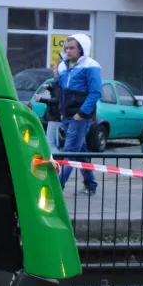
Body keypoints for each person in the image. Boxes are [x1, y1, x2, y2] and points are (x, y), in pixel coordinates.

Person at [55, 33, 101, 195]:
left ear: (82, 49)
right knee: (80, 151)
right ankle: (91, 185)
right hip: (67, 114)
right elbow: (60, 91)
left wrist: (81, 114)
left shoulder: (91, 66)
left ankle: (56, 188)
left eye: (72, 48)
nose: (68, 51)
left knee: (70, 152)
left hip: (79, 116)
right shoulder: (62, 66)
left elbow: (95, 93)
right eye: (66, 48)